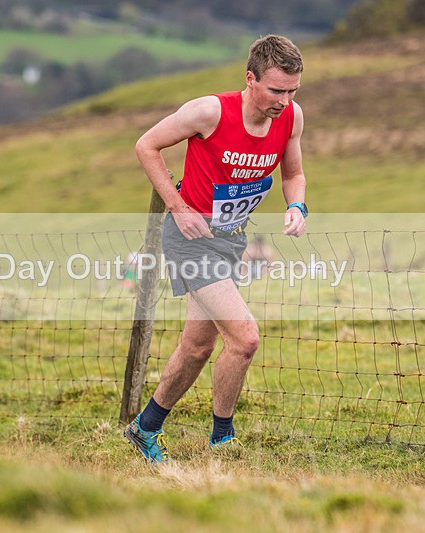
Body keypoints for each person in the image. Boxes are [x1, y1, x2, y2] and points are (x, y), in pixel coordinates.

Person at [124, 35, 308, 463]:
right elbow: (145, 145)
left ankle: (144, 428)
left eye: (293, 90)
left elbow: (293, 174)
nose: (285, 99)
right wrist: (177, 205)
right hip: (190, 240)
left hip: (231, 240)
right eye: (276, 89)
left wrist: (297, 205)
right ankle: (222, 438)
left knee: (197, 347)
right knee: (244, 339)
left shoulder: (292, 117)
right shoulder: (210, 111)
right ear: (250, 79)